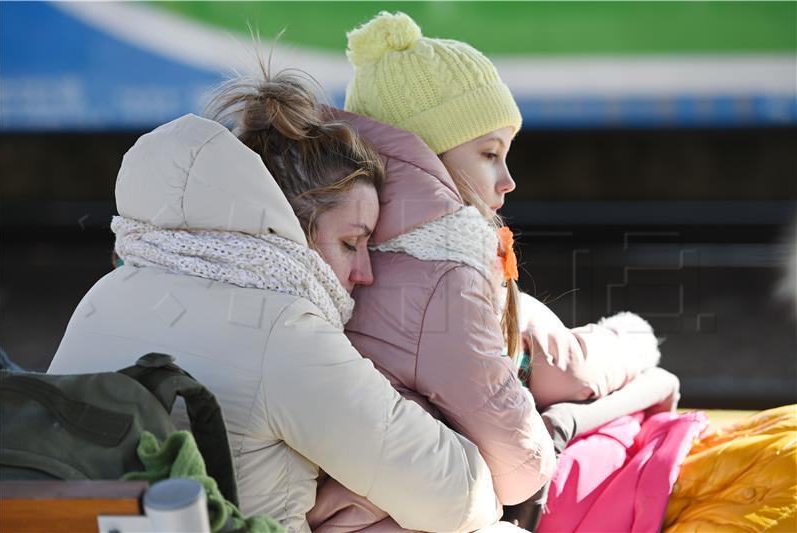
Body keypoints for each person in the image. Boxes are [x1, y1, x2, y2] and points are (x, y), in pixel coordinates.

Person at [47, 68, 504, 532]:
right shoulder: (281, 330)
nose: (365, 274)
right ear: (288, 227)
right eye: (351, 242)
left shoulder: (107, 292)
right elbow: (454, 496)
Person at [308, 11, 666, 531]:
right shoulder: (443, 272)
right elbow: (530, 440)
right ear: (425, 156)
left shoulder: (342, 241)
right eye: (490, 154)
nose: (508, 181)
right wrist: (638, 338)